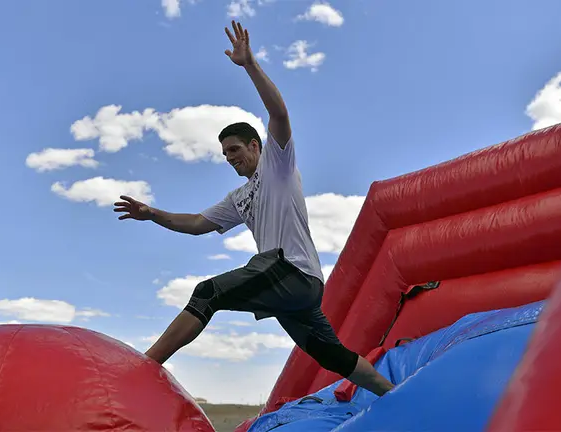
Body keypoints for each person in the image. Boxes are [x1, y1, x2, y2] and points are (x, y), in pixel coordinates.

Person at [113, 20, 395, 397]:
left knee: (208, 292)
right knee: (333, 356)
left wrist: (249, 64)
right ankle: (393, 392)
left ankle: (142, 370)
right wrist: (152, 214)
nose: (230, 157)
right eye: (224, 153)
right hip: (294, 291)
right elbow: (197, 223)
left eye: (235, 149)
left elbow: (279, 115)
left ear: (255, 146)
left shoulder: (277, 166)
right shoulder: (239, 197)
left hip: (293, 272)